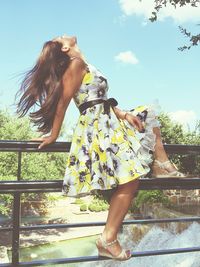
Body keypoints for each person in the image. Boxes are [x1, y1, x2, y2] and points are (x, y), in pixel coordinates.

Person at [15, 34, 186, 261]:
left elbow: (100, 99)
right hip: (97, 127)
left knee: (147, 113)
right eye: (60, 37)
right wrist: (54, 134)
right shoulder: (75, 65)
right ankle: (108, 238)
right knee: (130, 178)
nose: (65, 34)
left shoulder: (85, 64)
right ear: (65, 48)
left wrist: (124, 114)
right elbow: (63, 102)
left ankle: (161, 165)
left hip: (109, 121)